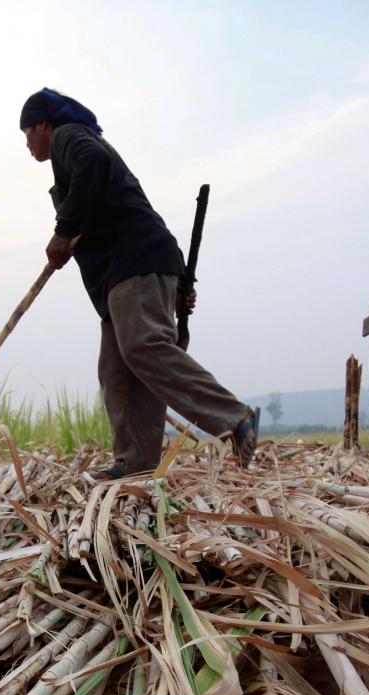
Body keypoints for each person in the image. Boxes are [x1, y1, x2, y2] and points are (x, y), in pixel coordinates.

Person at [19, 87, 258, 479]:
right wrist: (178, 284)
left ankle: (234, 417)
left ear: (43, 124)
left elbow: (94, 162)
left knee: (143, 345)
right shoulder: (69, 157)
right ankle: (135, 463)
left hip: (136, 264)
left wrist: (64, 230)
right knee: (117, 368)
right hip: (124, 273)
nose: (27, 144)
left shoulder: (70, 137)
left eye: (27, 133)